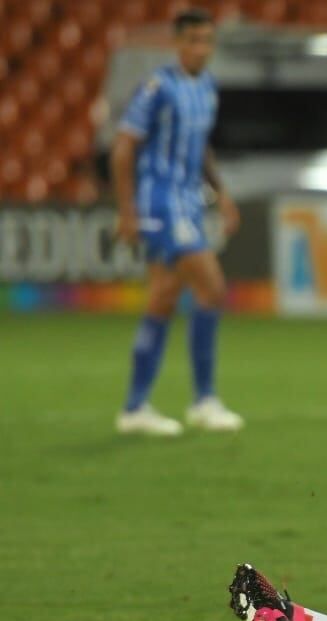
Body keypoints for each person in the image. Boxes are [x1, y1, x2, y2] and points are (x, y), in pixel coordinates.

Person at [112, 8, 243, 436]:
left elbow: (200, 146)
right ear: (178, 43)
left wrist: (219, 192)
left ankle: (134, 408)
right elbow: (123, 148)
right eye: (193, 40)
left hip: (188, 202)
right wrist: (128, 211)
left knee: (164, 297)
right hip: (160, 202)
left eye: (207, 40)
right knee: (212, 288)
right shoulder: (158, 88)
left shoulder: (207, 87)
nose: (201, 48)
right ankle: (204, 400)